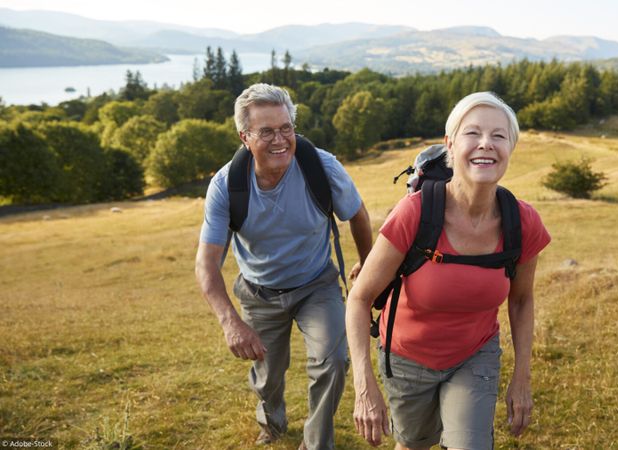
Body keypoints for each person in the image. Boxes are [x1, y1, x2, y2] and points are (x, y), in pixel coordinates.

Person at [345, 92, 550, 449]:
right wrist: (364, 386)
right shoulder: (415, 212)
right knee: (414, 445)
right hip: (407, 358)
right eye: (473, 133)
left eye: (499, 135)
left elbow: (521, 301)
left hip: (475, 353)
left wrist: (522, 377)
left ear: (510, 149)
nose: (486, 144)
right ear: (450, 146)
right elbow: (360, 297)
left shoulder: (523, 221)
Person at [195, 83, 373, 450]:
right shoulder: (227, 185)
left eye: (286, 128)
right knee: (267, 376)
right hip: (260, 292)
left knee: (333, 360)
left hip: (317, 285)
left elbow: (358, 215)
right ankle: (272, 419)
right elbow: (207, 263)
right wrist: (230, 322)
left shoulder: (321, 167)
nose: (280, 140)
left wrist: (367, 266)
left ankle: (316, 442)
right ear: (245, 136)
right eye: (266, 131)